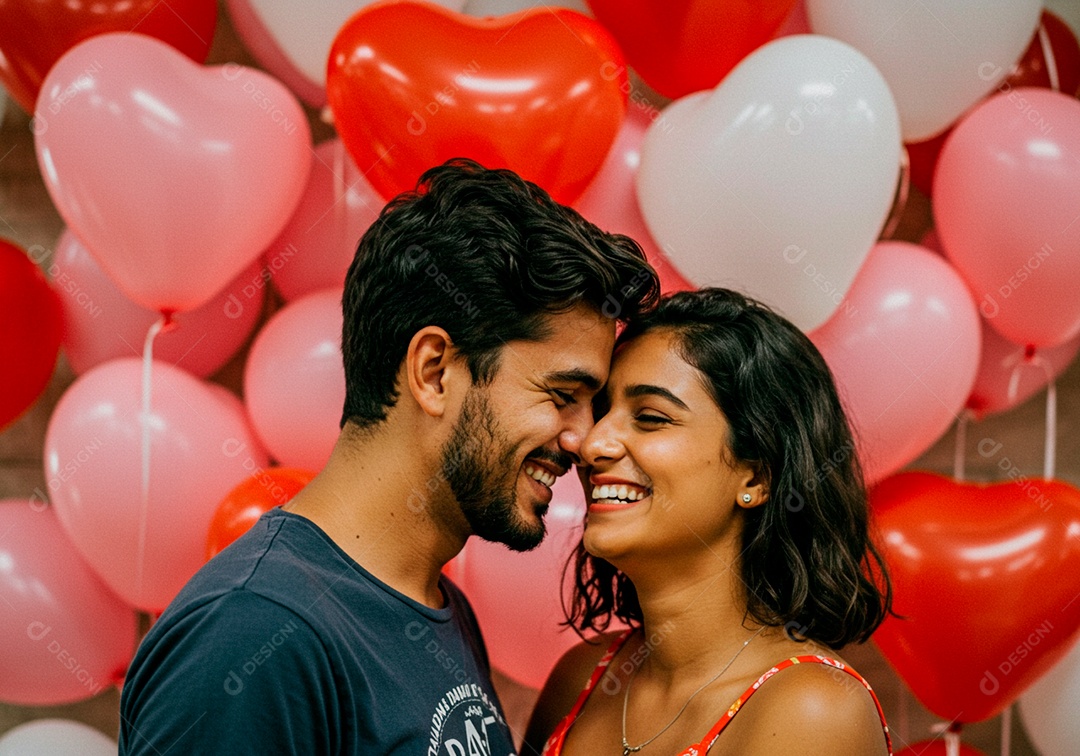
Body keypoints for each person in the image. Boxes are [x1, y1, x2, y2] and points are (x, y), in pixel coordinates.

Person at [119, 159, 659, 755]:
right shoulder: (252, 632)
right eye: (561, 396)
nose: (584, 440)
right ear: (433, 371)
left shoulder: (437, 607)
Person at [524, 288, 894, 756]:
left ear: (756, 476)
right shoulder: (581, 678)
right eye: (601, 412)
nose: (593, 442)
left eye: (651, 417)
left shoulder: (811, 710)